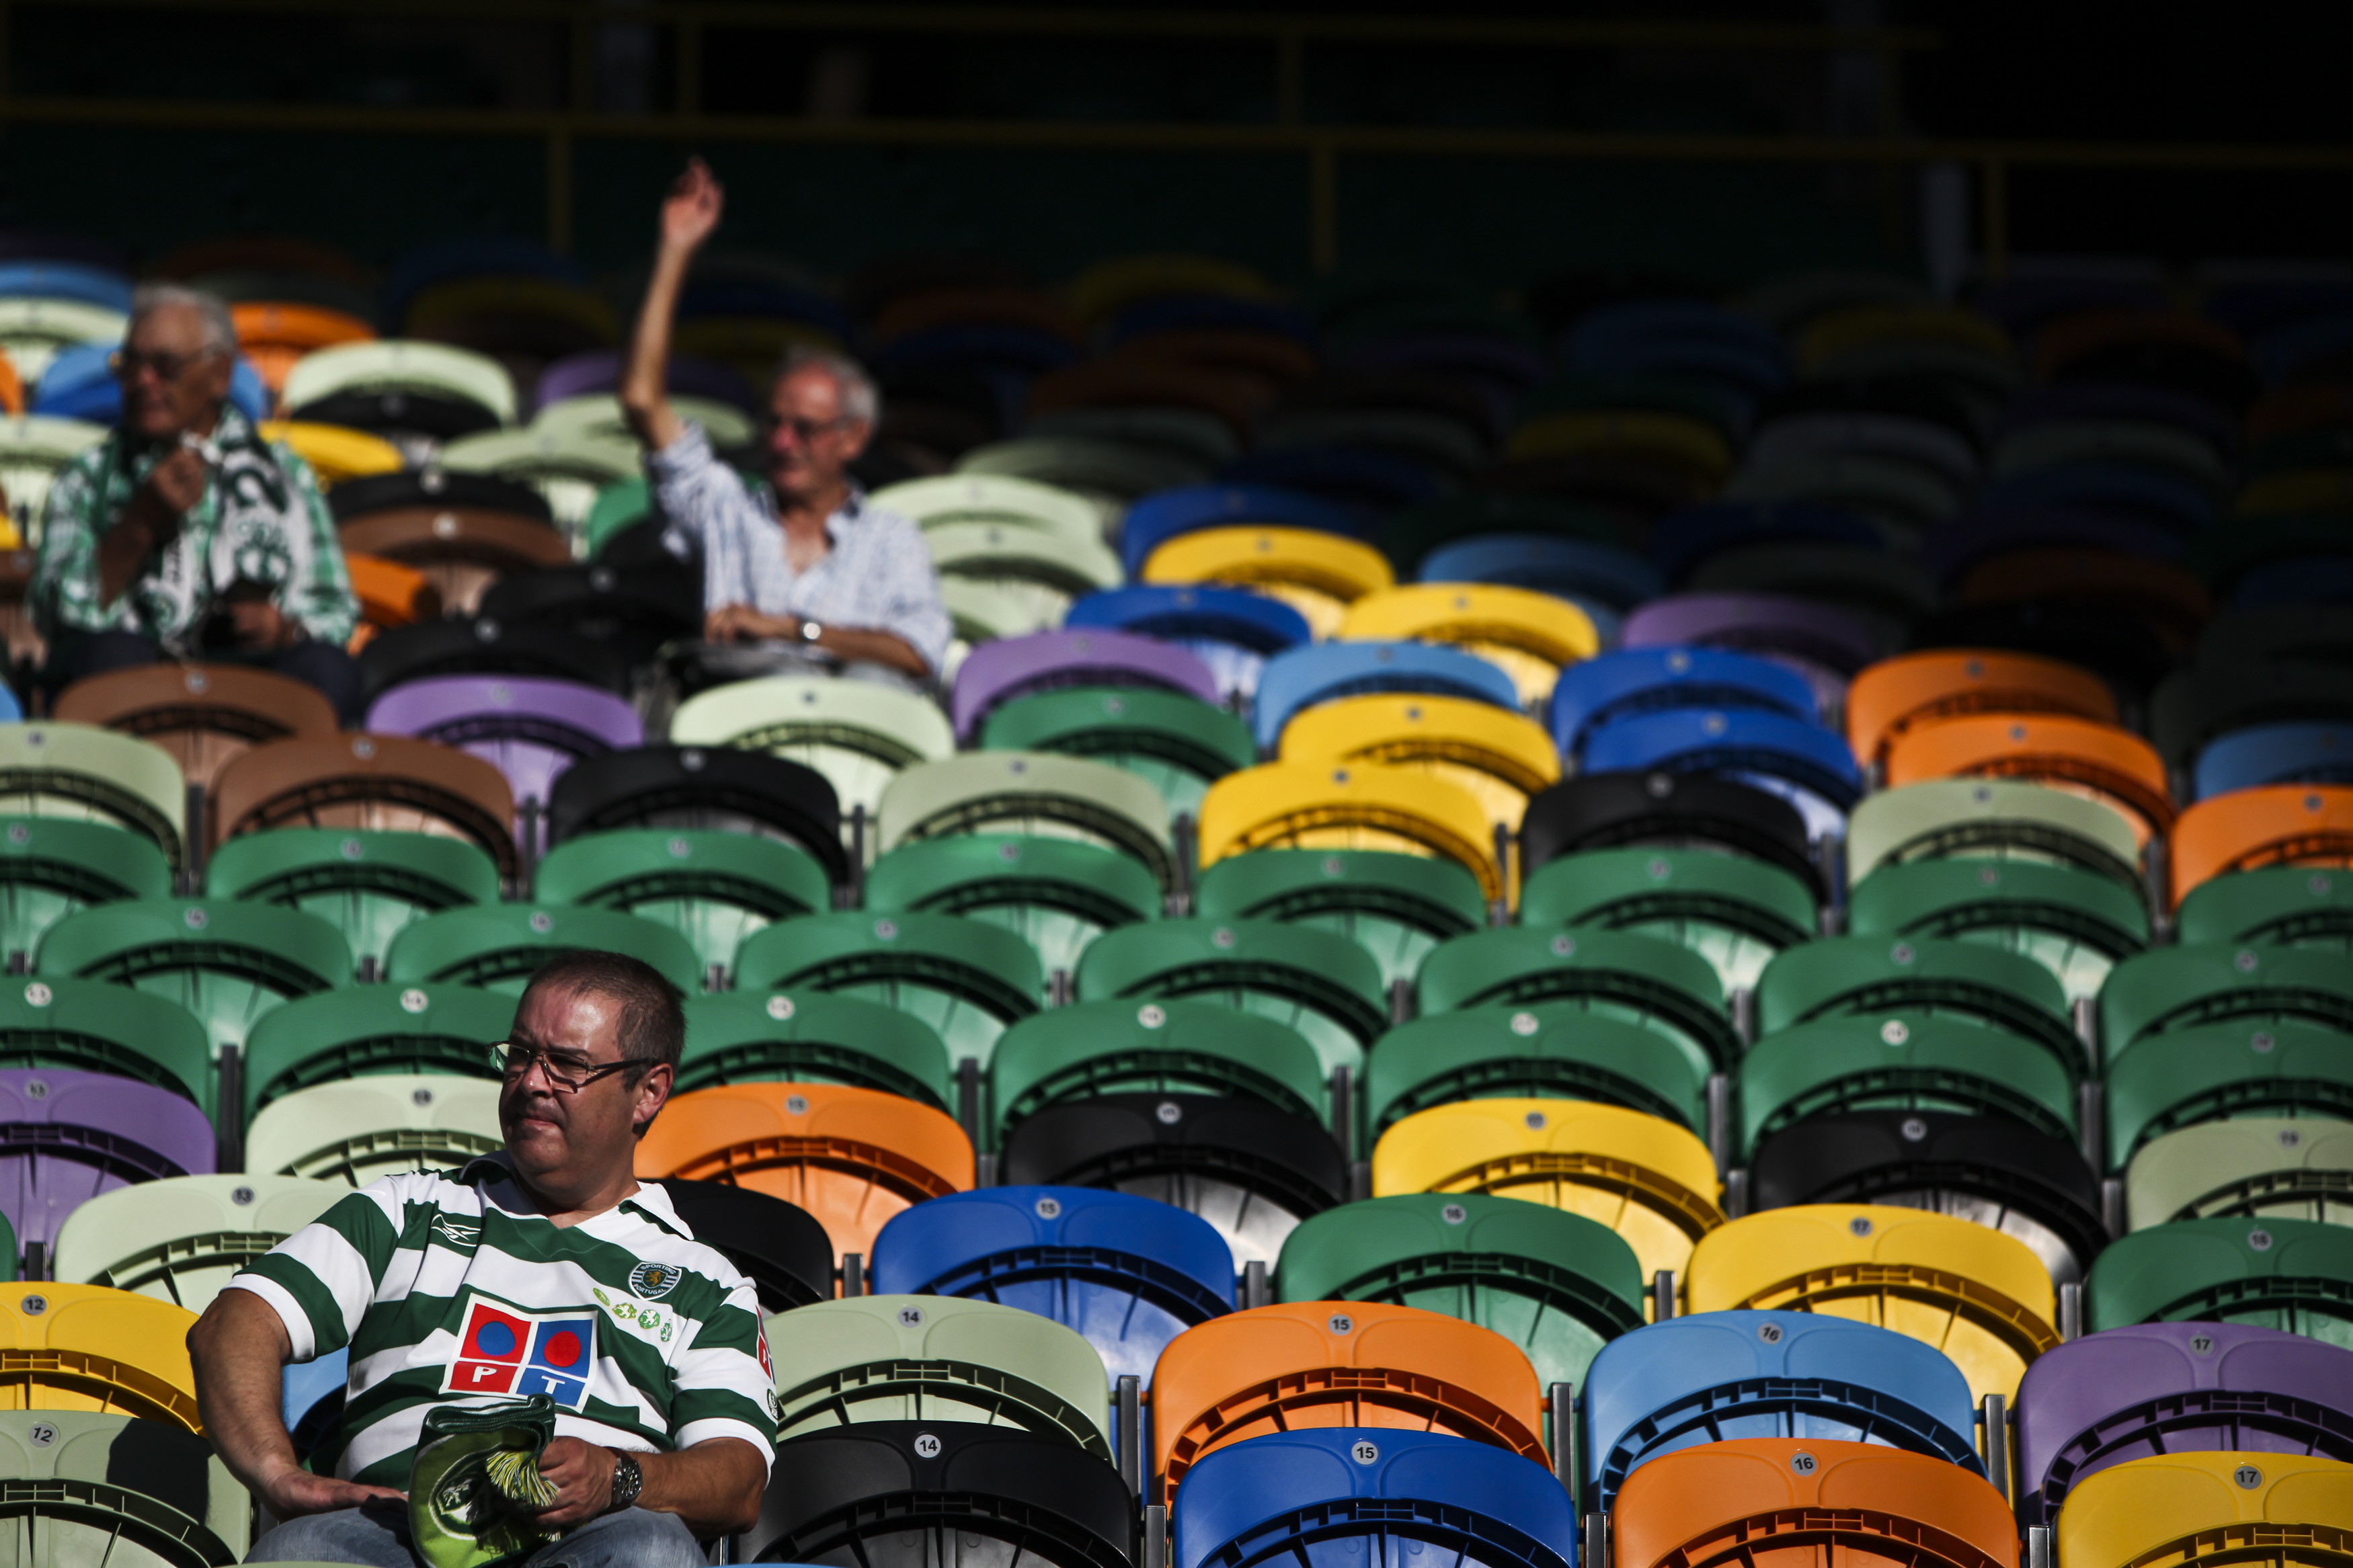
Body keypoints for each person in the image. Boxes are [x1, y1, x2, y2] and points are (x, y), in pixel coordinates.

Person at [192, 950, 774, 1568]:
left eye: (568, 1065)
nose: (530, 1081)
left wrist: (617, 1477)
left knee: (653, 1550)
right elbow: (234, 1323)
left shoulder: (707, 1283)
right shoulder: (407, 1207)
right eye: (520, 1054)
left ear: (648, 1092)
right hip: (387, 1530)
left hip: (592, 1536)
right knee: (299, 1555)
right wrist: (278, 1474)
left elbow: (737, 1480)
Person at [621, 158, 950, 693]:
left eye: (805, 429)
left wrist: (794, 630)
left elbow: (919, 651)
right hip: (745, 741)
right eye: (773, 423)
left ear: (853, 437)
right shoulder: (724, 509)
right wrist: (675, 251)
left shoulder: (891, 539)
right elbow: (641, 400)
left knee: (877, 679)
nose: (781, 442)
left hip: (853, 747)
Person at [30, 284, 365, 721]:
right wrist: (141, 522)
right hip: (139, 680)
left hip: (259, 683)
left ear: (219, 374)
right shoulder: (87, 476)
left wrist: (281, 627)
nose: (142, 381)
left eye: (165, 367)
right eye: (131, 365)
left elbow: (334, 609)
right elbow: (56, 616)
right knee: (111, 654)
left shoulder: (286, 475)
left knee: (328, 670)